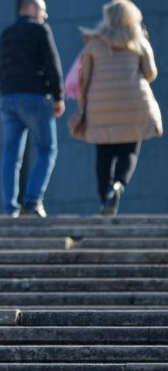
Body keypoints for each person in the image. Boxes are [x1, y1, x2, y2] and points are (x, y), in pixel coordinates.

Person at [72, 0, 162, 216]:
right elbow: (151, 74)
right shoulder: (138, 41)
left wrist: (82, 106)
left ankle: (104, 199)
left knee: (103, 155)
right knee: (128, 151)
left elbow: (84, 78)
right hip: (133, 105)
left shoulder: (94, 43)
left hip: (101, 106)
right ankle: (119, 185)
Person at [0, 0, 65, 218]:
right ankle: (32, 202)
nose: (45, 15)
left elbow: (1, 68)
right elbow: (52, 63)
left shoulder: (6, 33)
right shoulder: (40, 29)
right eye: (43, 10)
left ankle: (10, 208)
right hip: (35, 98)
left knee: (11, 155)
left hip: (8, 99)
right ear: (31, 7)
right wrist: (58, 96)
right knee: (47, 149)